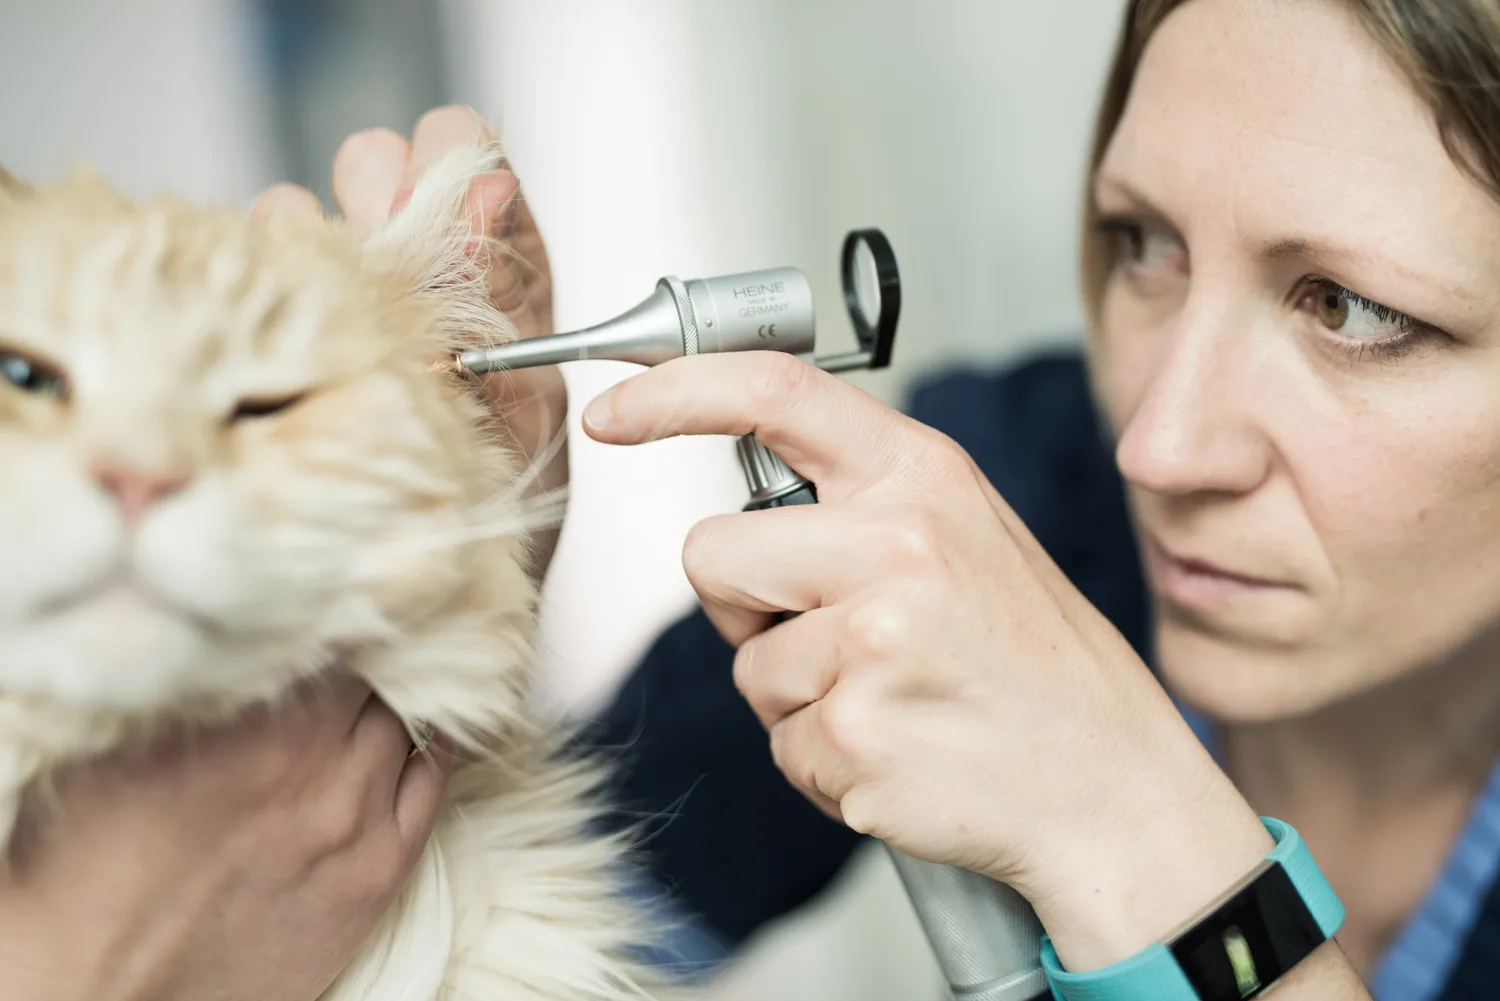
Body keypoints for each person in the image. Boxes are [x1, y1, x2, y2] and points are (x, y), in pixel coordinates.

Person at [10, 1, 1500, 998]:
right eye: (1142, 244)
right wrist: (434, 588)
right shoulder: (1026, 478)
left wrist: (1152, 846)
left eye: (1357, 311)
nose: (1159, 443)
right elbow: (606, 927)